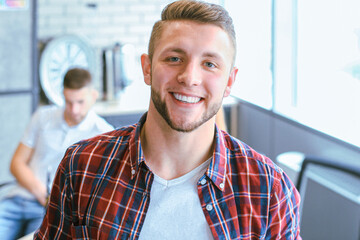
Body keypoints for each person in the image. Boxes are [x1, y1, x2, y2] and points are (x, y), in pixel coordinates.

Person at [35, 1, 301, 239]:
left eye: (209, 64)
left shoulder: (269, 189)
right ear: (147, 68)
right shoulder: (82, 166)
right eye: (175, 58)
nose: (190, 77)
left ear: (229, 81)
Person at [0, 68, 114, 240]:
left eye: (80, 102)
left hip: (52, 211)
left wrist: (50, 201)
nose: (74, 109)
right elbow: (16, 163)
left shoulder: (104, 135)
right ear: (62, 94)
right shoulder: (42, 117)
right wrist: (41, 193)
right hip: (18, 197)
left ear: (93, 96)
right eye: (69, 102)